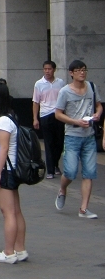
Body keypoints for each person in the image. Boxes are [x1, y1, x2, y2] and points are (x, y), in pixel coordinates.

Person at [0, 80, 28, 264]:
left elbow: (3, 149)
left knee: (8, 212)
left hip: (4, 171)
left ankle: (9, 252)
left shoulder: (2, 121)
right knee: (16, 211)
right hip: (11, 170)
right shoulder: (9, 117)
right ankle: (20, 248)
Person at [54, 59, 102, 219]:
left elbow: (99, 105)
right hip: (72, 136)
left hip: (89, 136)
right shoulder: (65, 92)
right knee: (70, 171)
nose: (82, 73)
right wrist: (75, 121)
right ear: (71, 73)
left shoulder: (92, 87)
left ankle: (83, 209)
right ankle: (62, 189)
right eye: (78, 70)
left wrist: (97, 114)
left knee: (89, 173)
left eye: (84, 70)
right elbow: (58, 114)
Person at [32, 60, 65, 178]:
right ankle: (50, 170)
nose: (47, 71)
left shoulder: (61, 83)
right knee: (49, 142)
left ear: (54, 70)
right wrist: (35, 118)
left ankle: (55, 164)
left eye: (49, 69)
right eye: (45, 69)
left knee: (59, 142)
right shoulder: (39, 84)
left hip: (59, 114)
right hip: (45, 115)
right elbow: (36, 102)